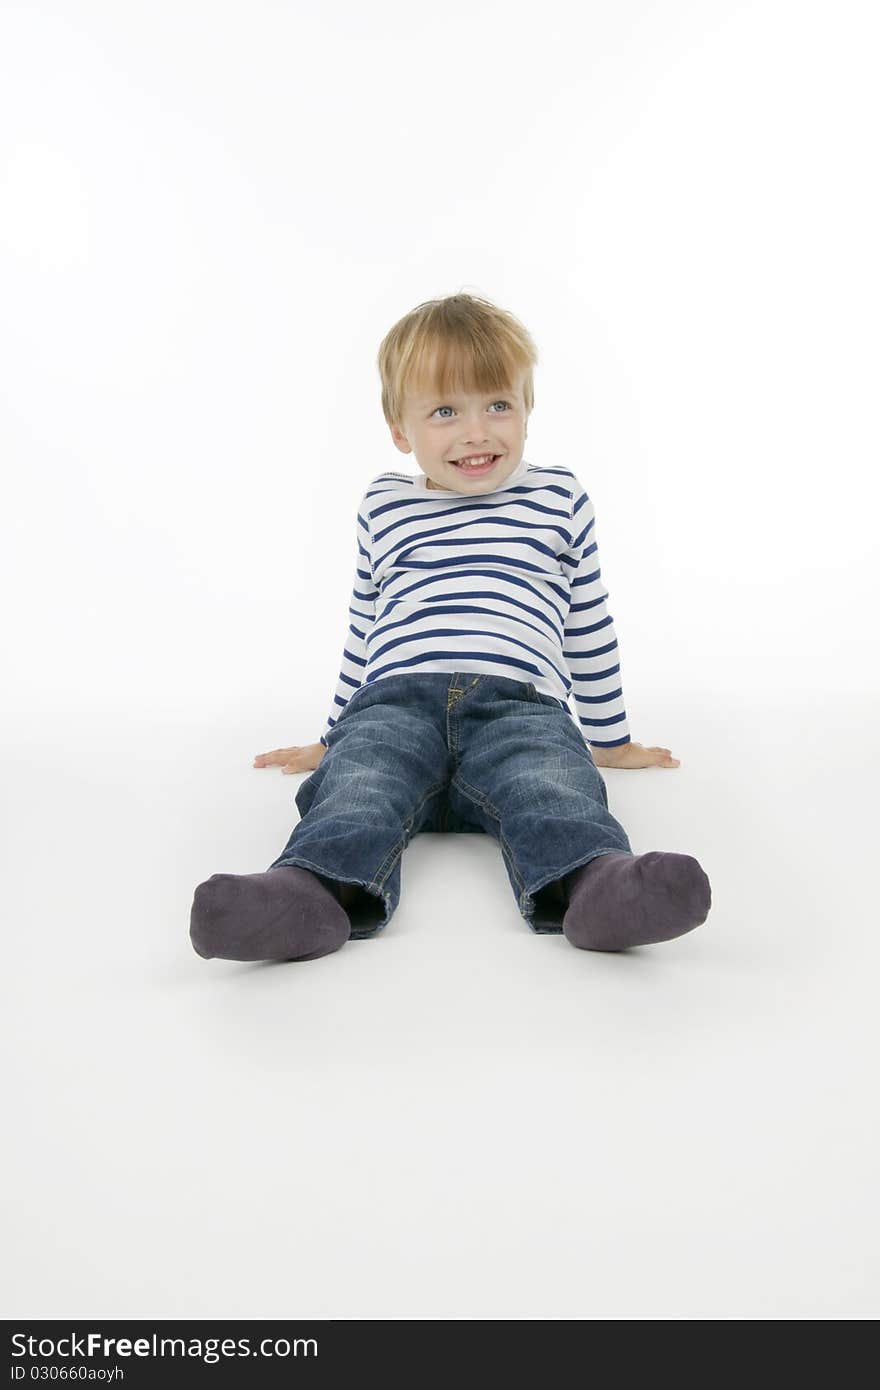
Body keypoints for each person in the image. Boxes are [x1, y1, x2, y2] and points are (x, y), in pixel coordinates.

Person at [190, 292, 711, 963]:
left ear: (527, 407)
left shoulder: (559, 498)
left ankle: (598, 885)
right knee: (358, 786)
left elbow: (588, 618)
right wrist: (332, 735)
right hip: (394, 701)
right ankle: (308, 893)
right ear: (400, 429)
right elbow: (365, 626)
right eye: (444, 412)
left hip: (518, 704)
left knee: (550, 785)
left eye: (498, 404)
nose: (476, 431)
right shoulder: (384, 505)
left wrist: (609, 738)